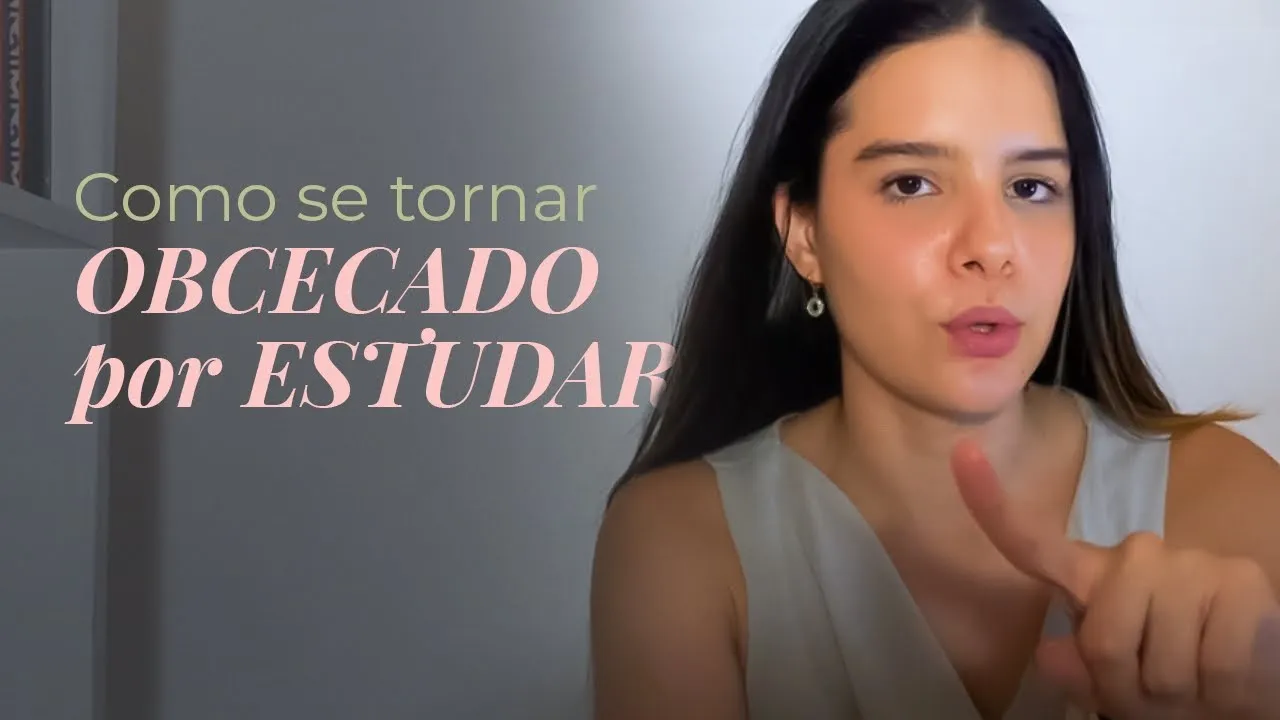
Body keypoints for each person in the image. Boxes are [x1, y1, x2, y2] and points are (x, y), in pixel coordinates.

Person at [588, 0, 1280, 719]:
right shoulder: (680, 543)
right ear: (804, 234)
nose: (991, 247)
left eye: (1031, 187)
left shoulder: (1232, 505)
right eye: (911, 183)